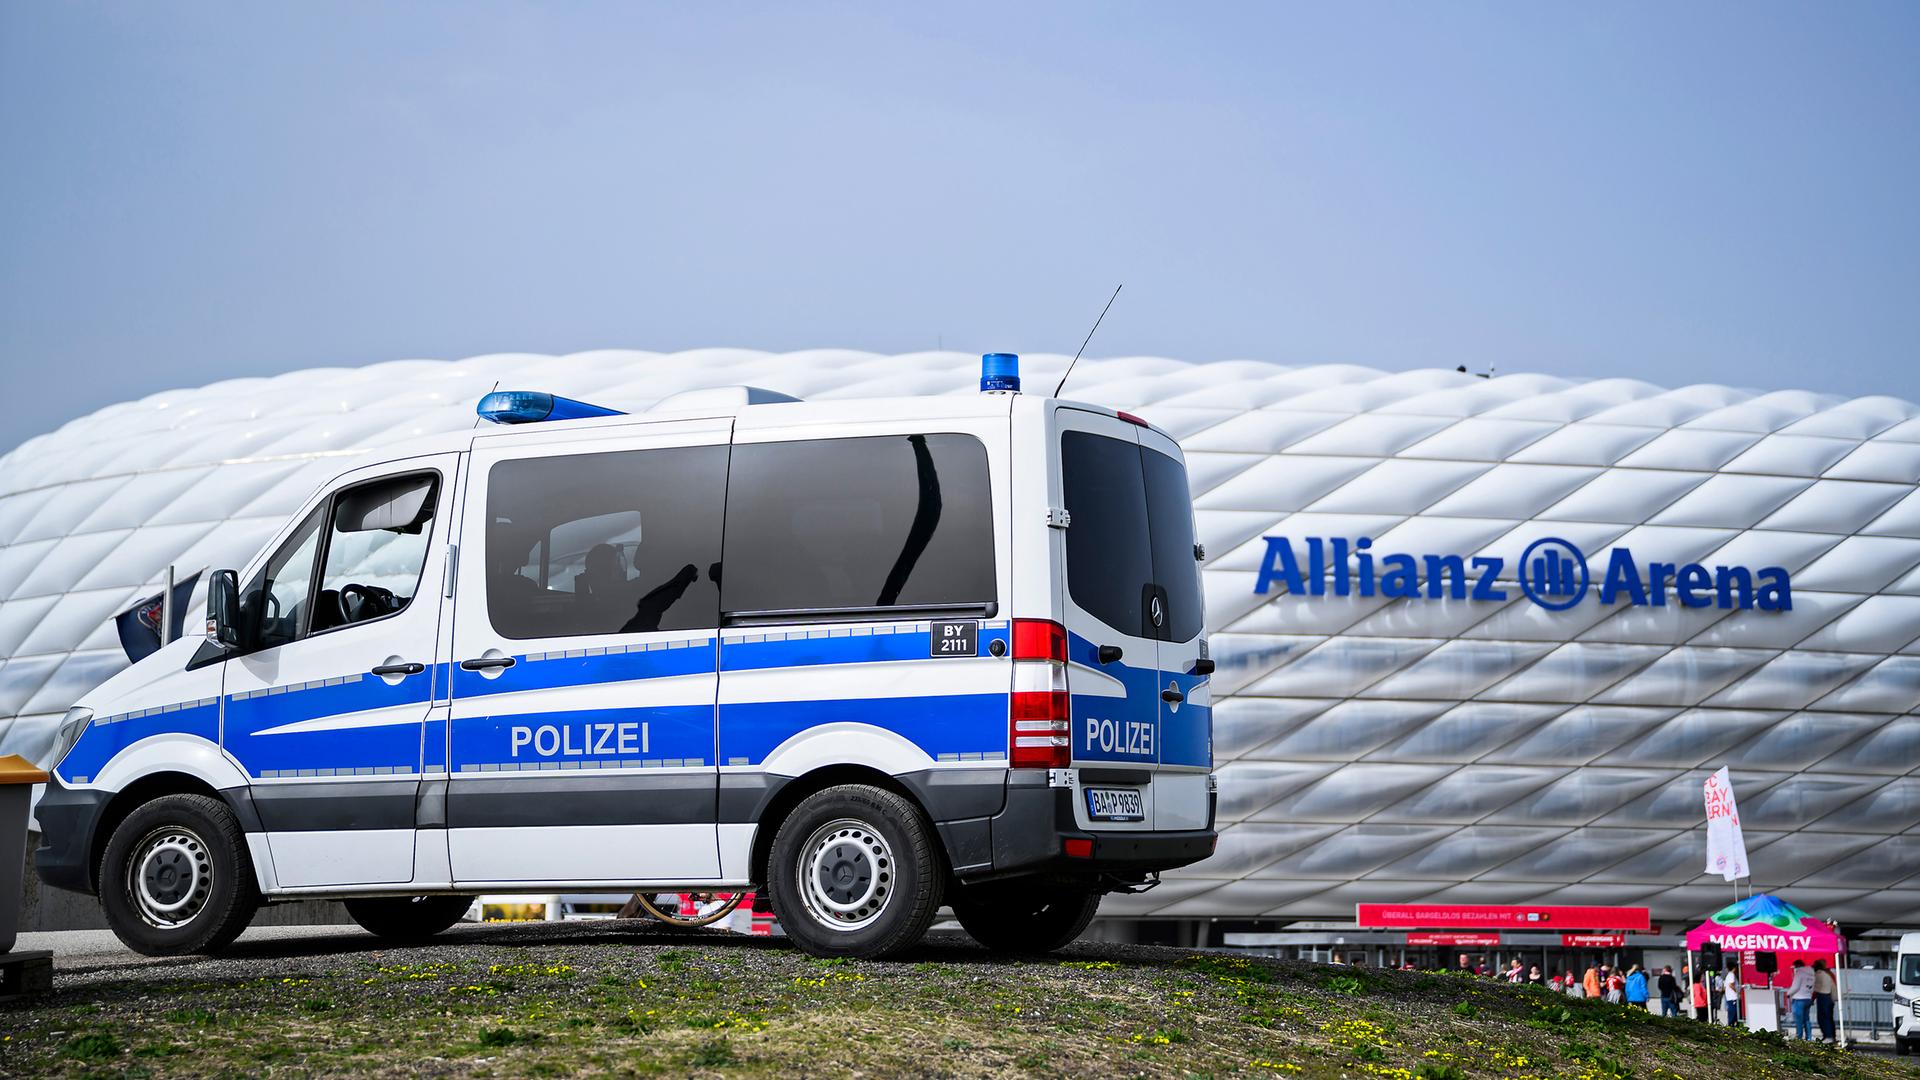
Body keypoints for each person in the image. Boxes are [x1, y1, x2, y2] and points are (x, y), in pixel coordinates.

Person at [1786, 960, 1816, 1040]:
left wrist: (1788, 993)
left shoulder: (1799, 973)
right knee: (1806, 1019)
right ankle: (1808, 1037)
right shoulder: (1812, 974)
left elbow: (1795, 987)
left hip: (1798, 999)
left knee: (1799, 1021)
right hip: (1808, 998)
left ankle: (1799, 1037)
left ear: (1797, 966)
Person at [1812, 960, 1837, 1043]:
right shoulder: (1829, 974)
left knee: (1823, 1018)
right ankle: (1832, 1036)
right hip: (1830, 997)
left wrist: (1811, 999)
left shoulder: (1819, 974)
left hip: (1823, 996)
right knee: (1829, 1018)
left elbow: (1816, 988)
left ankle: (1827, 1036)